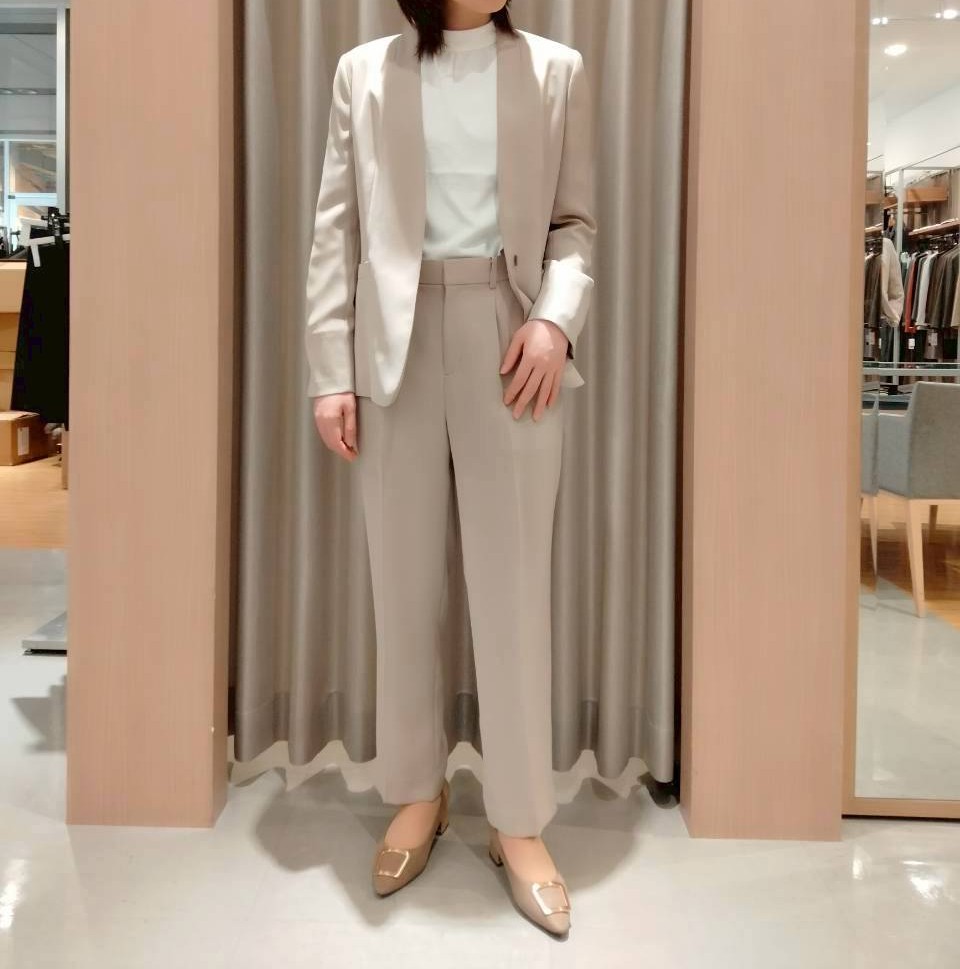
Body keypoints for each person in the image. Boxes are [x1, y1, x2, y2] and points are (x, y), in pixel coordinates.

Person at [304, 0, 596, 937]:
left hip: (511, 340)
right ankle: (416, 793)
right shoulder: (364, 72)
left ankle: (520, 820)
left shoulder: (554, 69)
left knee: (514, 592)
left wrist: (555, 321)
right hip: (392, 345)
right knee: (403, 586)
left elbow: (574, 224)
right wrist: (330, 370)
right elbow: (335, 231)